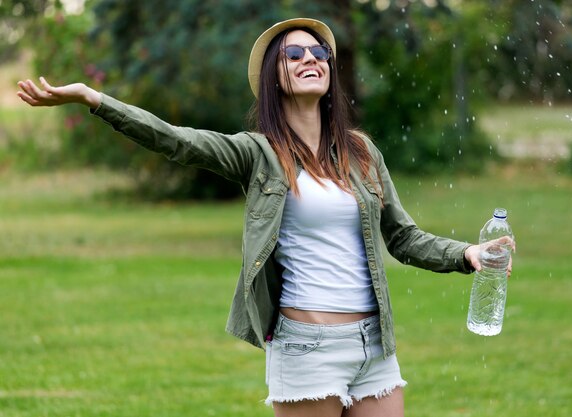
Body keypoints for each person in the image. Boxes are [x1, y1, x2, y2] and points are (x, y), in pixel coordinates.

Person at [17, 17, 513, 417]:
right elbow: (177, 140)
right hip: (307, 347)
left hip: (374, 346)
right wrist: (95, 100)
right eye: (293, 54)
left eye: (319, 53)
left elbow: (402, 237)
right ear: (275, 76)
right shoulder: (257, 154)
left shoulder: (361, 152)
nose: (309, 59)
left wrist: (467, 253)